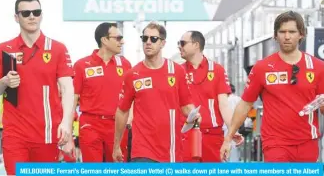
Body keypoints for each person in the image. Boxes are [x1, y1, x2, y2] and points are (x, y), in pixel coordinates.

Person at [221, 11, 324, 162]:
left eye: (292, 32)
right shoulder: (262, 68)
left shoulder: (318, 67)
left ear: (301, 34)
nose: (287, 36)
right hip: (275, 144)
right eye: (282, 32)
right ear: (275, 36)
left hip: (308, 142)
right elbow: (245, 104)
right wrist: (228, 138)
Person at [0, 0, 74, 174]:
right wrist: (4, 82)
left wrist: (67, 123)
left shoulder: (58, 48)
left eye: (36, 12)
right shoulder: (4, 49)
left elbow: (68, 88)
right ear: (16, 17)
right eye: (26, 12)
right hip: (15, 134)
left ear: (41, 15)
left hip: (47, 134)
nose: (32, 16)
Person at [113, 22, 201, 163]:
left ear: (163, 43)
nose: (148, 42)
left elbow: (186, 105)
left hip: (171, 150)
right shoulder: (133, 74)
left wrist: (194, 114)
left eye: (153, 39)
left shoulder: (177, 71)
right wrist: (116, 145)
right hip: (142, 150)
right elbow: (122, 111)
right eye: (145, 38)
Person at [179, 31, 243, 162]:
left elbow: (224, 106)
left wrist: (232, 131)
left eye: (182, 43)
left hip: (212, 137)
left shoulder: (217, 70)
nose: (179, 47)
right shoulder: (178, 71)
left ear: (196, 45)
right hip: (185, 136)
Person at [73, 22, 132, 162]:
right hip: (90, 125)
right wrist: (68, 130)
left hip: (117, 126)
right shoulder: (82, 65)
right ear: (104, 40)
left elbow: (132, 96)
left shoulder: (125, 65)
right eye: (118, 38)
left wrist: (131, 116)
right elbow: (73, 98)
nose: (122, 41)